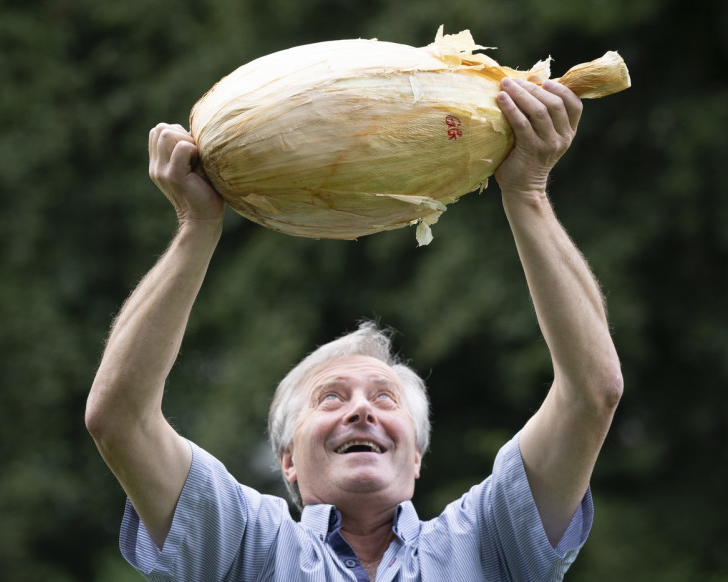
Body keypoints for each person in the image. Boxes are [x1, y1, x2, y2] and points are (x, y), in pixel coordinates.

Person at [86, 76, 623, 581]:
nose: (361, 409)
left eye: (386, 399)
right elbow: (119, 418)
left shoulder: (489, 543)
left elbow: (591, 393)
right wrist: (196, 226)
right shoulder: (242, 545)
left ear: (415, 456)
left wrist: (528, 193)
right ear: (288, 461)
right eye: (330, 398)